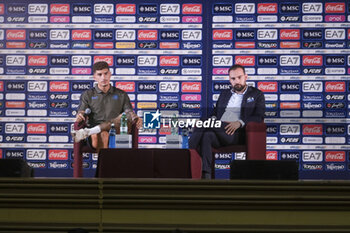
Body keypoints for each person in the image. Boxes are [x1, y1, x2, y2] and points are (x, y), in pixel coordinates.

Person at [189, 64, 265, 179]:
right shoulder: (225, 93)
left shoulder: (256, 94)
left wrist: (240, 122)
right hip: (219, 130)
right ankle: (206, 175)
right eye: (233, 79)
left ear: (246, 77)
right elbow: (215, 113)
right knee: (207, 135)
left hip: (237, 133)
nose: (237, 81)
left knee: (203, 122)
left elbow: (259, 116)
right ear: (230, 80)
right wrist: (213, 121)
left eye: (239, 77)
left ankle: (187, 151)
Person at [72, 61, 142, 150]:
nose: (103, 77)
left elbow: (129, 112)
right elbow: (81, 111)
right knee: (104, 134)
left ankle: (88, 132)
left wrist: (135, 118)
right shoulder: (88, 94)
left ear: (110, 74)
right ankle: (107, 162)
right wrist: (79, 116)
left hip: (116, 130)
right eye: (99, 74)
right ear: (94, 77)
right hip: (95, 134)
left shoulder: (121, 94)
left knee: (123, 117)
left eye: (106, 74)